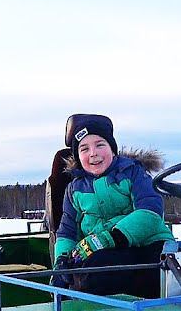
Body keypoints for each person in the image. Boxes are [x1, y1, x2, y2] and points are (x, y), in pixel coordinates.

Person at [52, 114, 173, 296]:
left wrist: (111, 238)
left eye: (100, 145)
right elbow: (67, 231)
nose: (93, 153)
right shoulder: (74, 189)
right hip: (105, 255)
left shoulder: (133, 173)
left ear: (112, 149)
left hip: (148, 246)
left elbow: (150, 212)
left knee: (99, 270)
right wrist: (61, 261)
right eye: (84, 149)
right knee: (86, 272)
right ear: (78, 156)